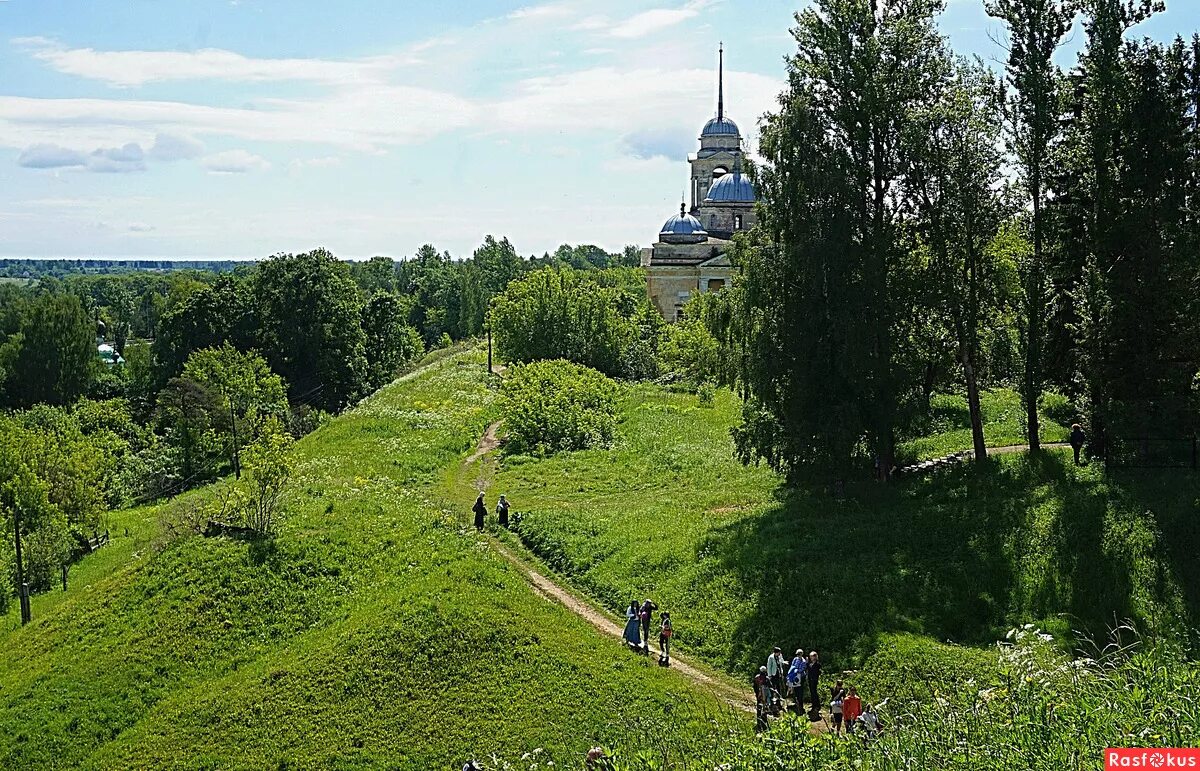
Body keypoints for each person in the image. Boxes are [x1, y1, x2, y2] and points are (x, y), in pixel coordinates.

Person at [806, 651, 823, 717]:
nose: (811, 658)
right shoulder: (810, 663)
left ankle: (817, 705)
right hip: (810, 679)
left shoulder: (817, 664)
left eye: (811, 656)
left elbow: (817, 672)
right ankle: (813, 704)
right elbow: (808, 668)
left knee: (814, 692)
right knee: (812, 692)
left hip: (814, 680)